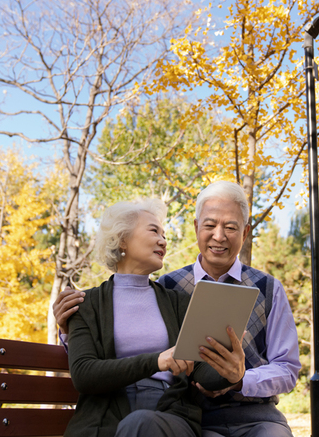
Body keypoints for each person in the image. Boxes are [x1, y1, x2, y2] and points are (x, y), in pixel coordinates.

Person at [56, 182, 301, 437]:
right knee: (141, 424)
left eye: (230, 227)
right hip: (199, 419)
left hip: (250, 416)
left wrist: (238, 377)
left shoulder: (265, 288)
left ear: (245, 232)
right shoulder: (171, 286)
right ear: (196, 227)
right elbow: (90, 364)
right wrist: (68, 331)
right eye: (210, 225)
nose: (219, 236)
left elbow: (285, 367)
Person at [63, 198, 239, 437]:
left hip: (170, 416)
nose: (163, 241)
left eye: (164, 235)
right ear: (122, 238)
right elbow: (84, 375)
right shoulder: (86, 304)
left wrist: (231, 372)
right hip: (104, 416)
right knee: (139, 424)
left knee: (142, 424)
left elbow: (199, 371)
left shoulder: (178, 302)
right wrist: (157, 361)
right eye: (154, 230)